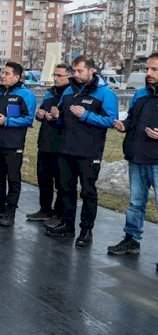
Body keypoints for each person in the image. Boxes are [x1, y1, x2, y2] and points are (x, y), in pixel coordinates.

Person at [46, 55, 118, 247]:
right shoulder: (69, 90)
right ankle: (67, 225)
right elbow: (61, 117)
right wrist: (55, 116)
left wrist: (86, 115)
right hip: (66, 149)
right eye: (74, 71)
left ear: (91, 71)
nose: (76, 75)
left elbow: (111, 121)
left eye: (80, 71)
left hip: (89, 151)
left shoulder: (105, 93)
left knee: (87, 192)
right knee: (66, 189)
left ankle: (86, 231)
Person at [108, 52, 158, 256]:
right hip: (137, 158)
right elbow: (132, 120)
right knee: (136, 202)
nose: (148, 73)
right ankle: (131, 240)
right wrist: (123, 125)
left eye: (154, 69)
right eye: (147, 68)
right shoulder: (141, 94)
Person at [0, 61, 37, 226]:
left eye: (6, 73)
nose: (2, 75)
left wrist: (6, 121)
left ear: (17, 76)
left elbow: (28, 119)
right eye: (2, 72)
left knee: (13, 179)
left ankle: (10, 211)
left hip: (13, 144)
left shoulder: (25, 95)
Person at [26, 63, 72, 224]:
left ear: (69, 76)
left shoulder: (71, 94)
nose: (56, 78)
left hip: (62, 144)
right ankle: (45, 209)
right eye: (54, 75)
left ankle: (59, 212)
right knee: (44, 178)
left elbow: (70, 119)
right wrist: (40, 114)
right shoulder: (49, 93)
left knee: (61, 181)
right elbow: (41, 112)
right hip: (45, 142)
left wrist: (57, 117)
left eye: (60, 75)